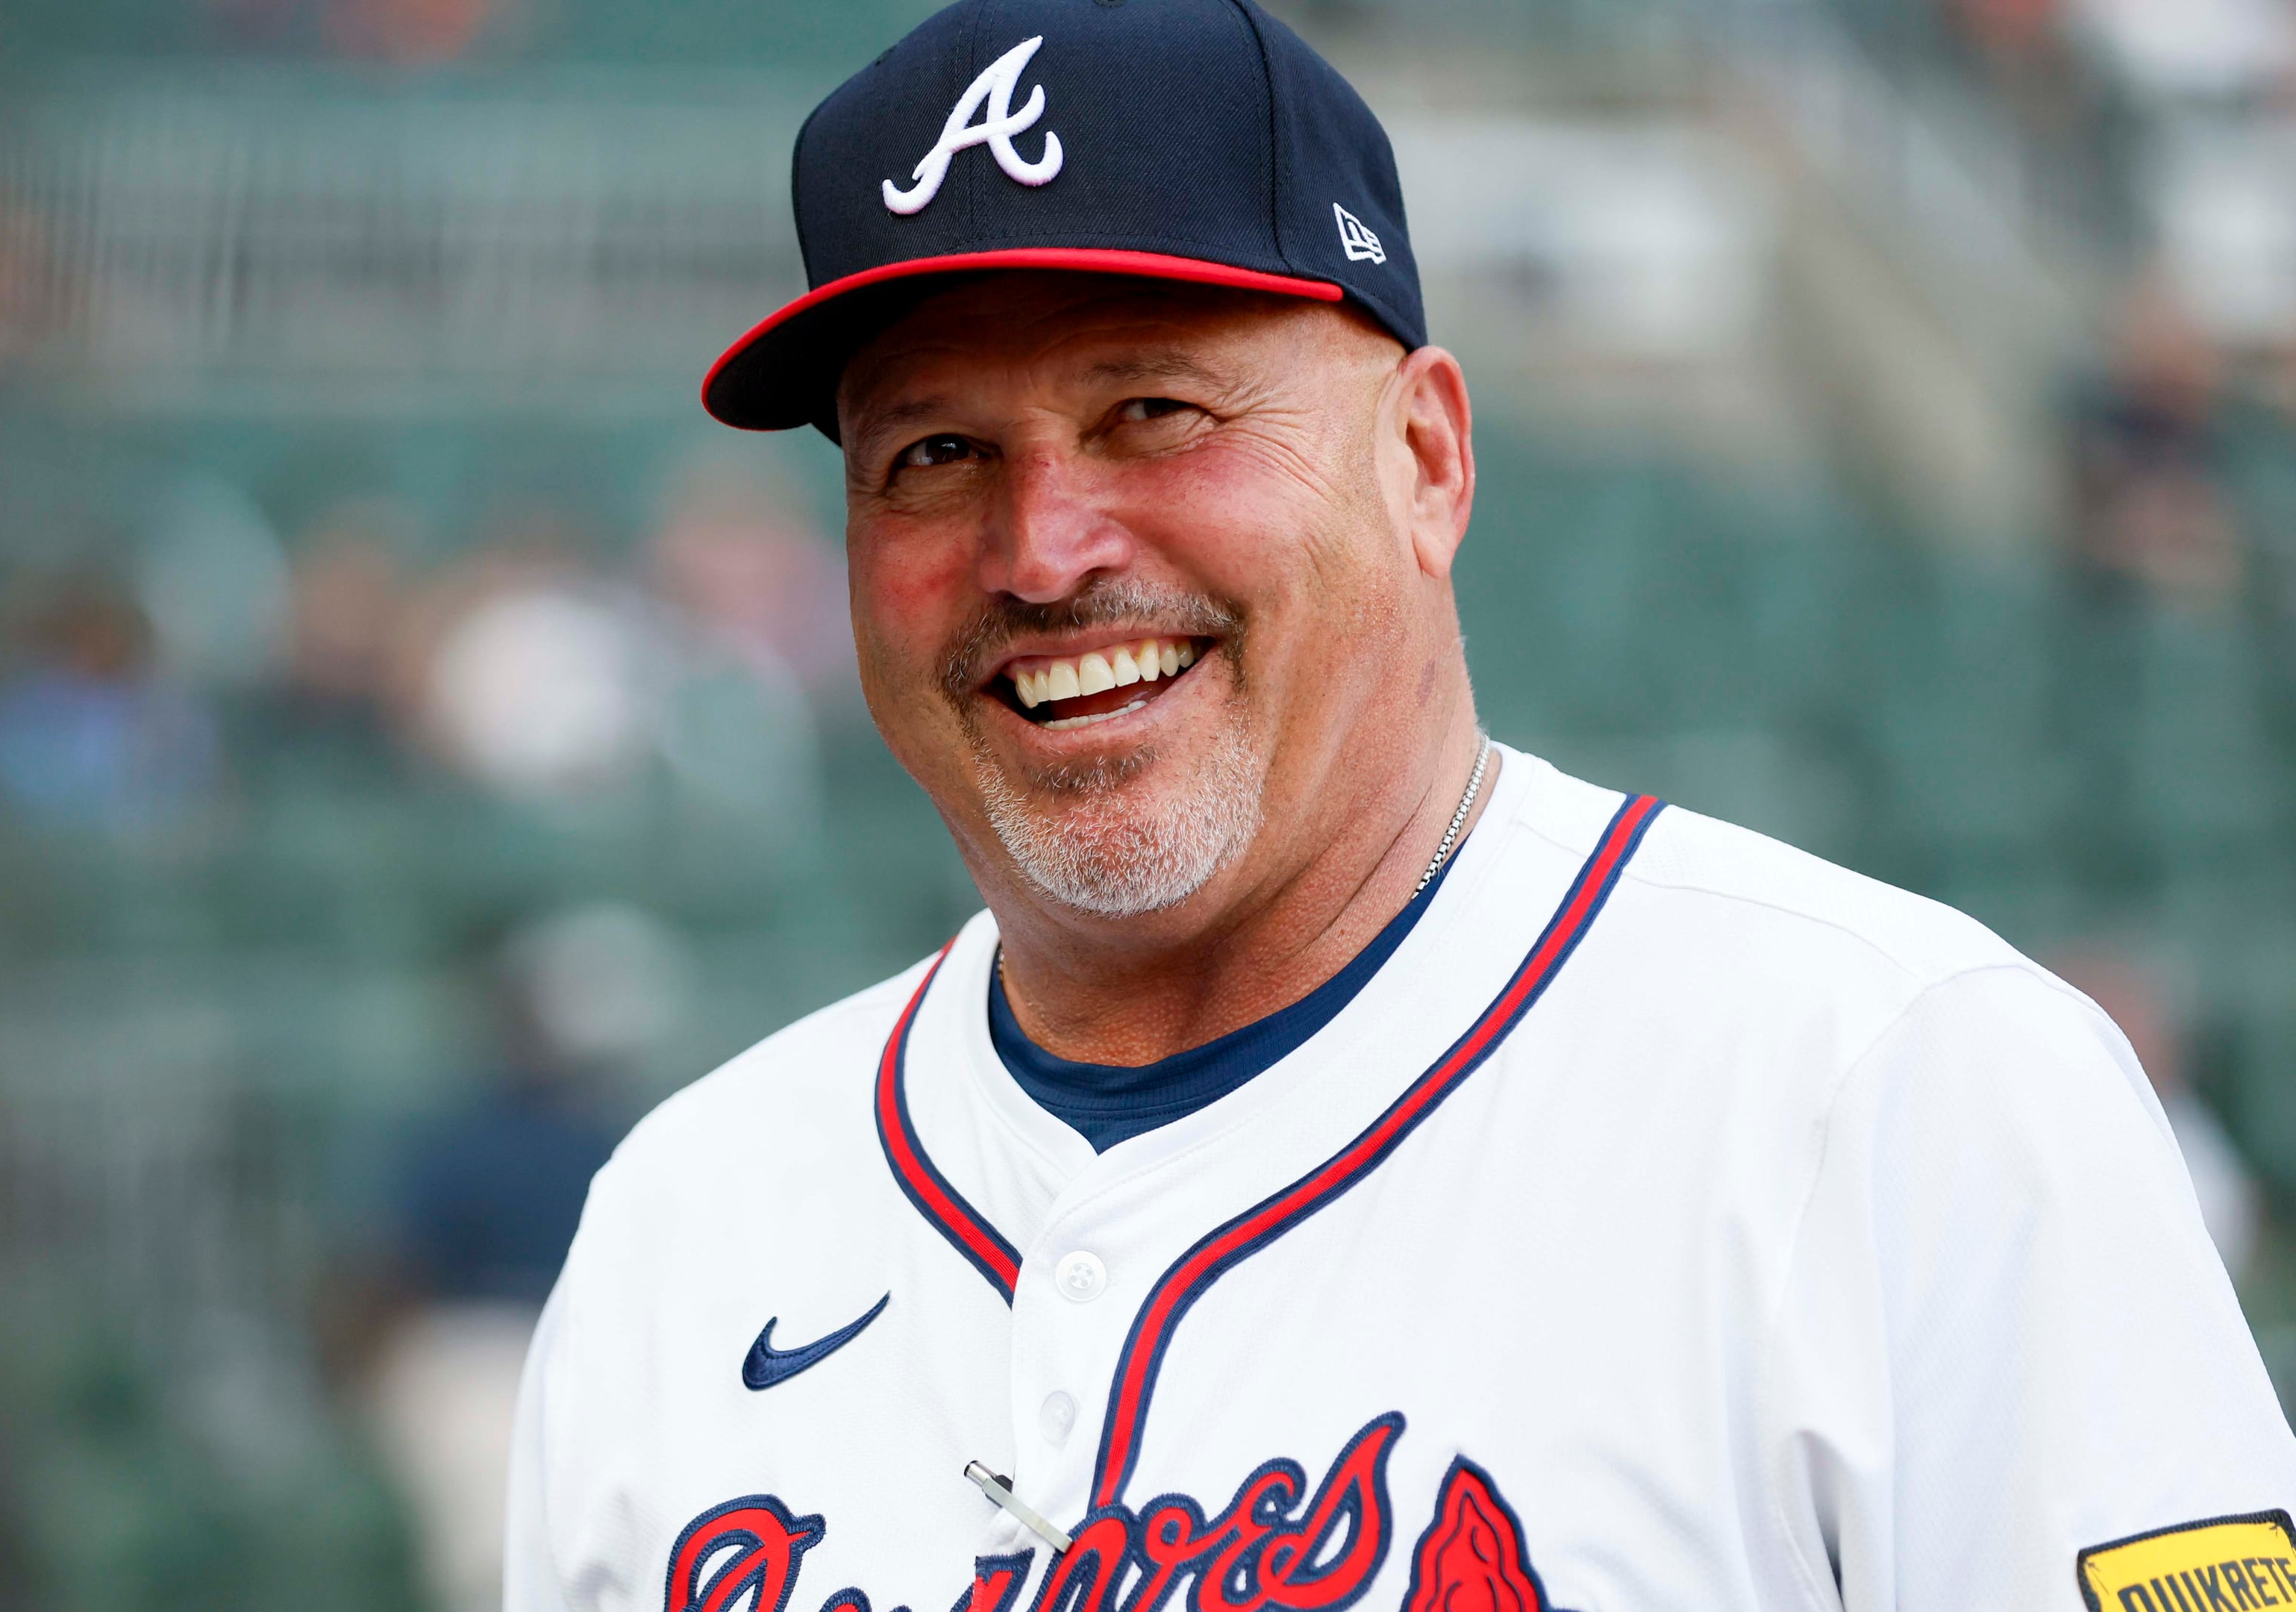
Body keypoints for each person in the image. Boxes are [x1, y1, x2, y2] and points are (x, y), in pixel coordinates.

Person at [504, 4, 2296, 1610]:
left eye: (1155, 408)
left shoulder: (1901, 1095)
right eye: (934, 455)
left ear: (1427, 459)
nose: (1042, 549)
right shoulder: (685, 1223)